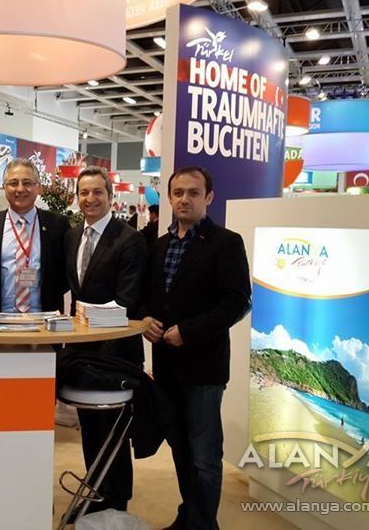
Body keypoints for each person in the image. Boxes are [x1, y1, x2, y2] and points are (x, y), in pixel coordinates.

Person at [142, 165, 251, 530]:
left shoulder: (225, 242)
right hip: (166, 367)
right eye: (178, 193)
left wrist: (188, 332)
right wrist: (145, 319)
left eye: (193, 192)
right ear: (169, 198)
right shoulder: (159, 245)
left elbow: (237, 301)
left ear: (209, 197)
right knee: (181, 449)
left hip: (204, 368)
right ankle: (189, 518)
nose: (184, 199)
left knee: (205, 456)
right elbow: (151, 298)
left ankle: (202, 525)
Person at [64, 166, 147, 513]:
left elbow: (126, 302)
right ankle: (95, 495)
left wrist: (100, 349)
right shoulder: (72, 236)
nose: (90, 199)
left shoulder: (129, 240)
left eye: (98, 192)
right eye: (84, 192)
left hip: (116, 355)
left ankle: (116, 504)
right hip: (82, 355)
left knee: (114, 435)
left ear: (111, 196)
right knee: (90, 430)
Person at [0, 158, 69, 313]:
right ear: (4, 187)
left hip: (44, 317)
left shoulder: (57, 225)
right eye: (13, 183)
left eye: (27, 183)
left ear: (38, 187)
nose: (20, 189)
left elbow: (67, 273)